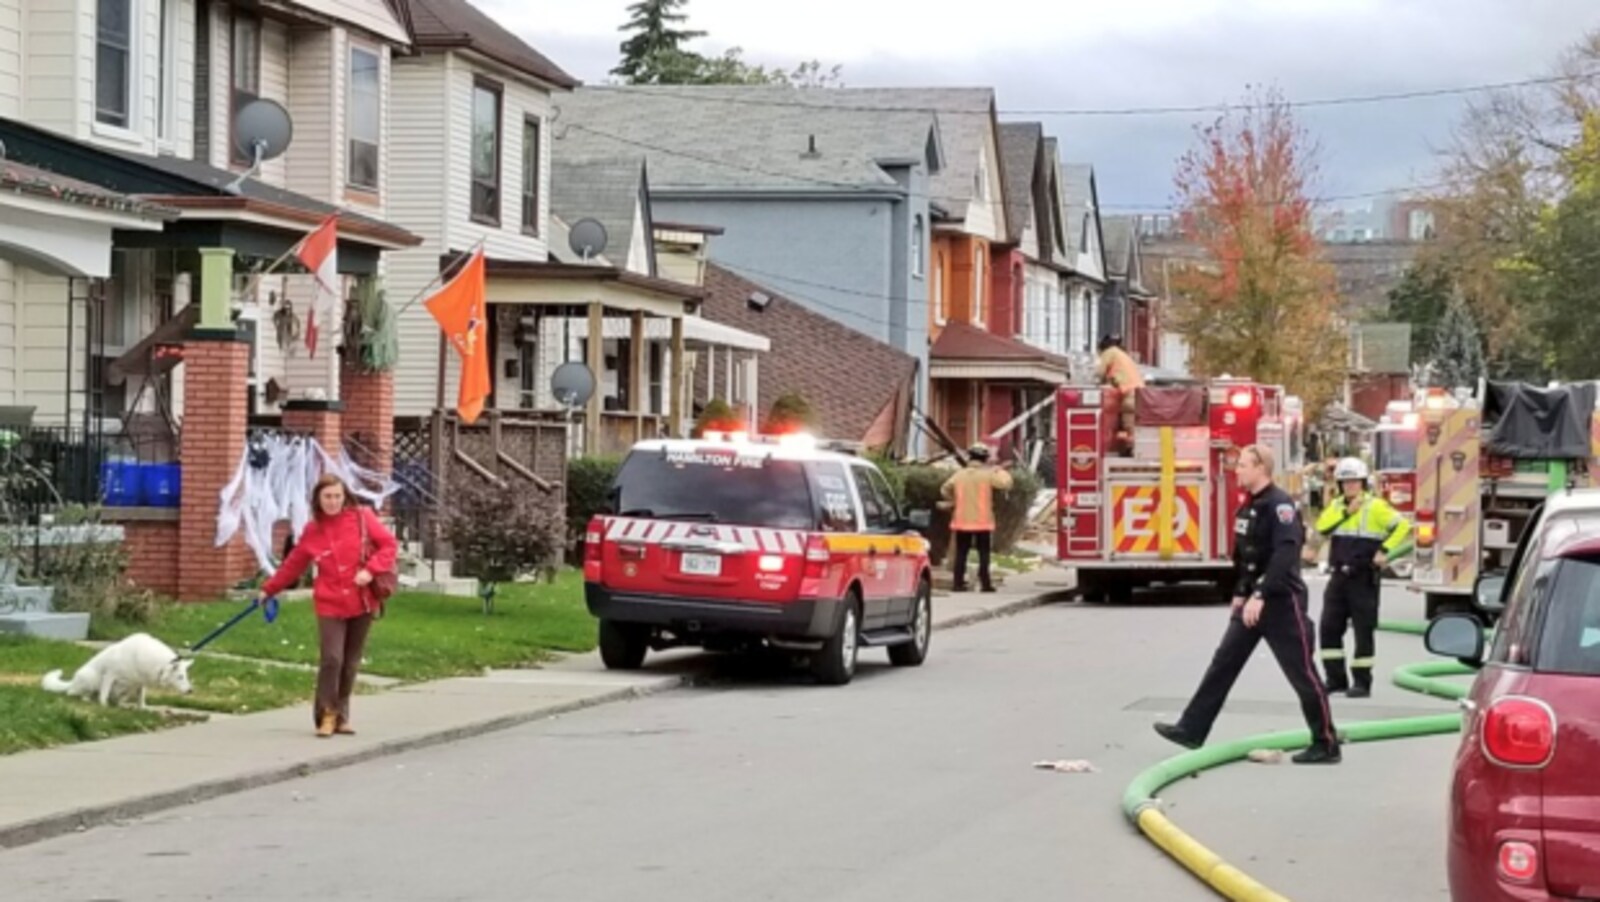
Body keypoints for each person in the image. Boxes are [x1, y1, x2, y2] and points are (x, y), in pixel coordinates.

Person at [1153, 444, 1341, 764]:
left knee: (1302, 674)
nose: (1237, 470)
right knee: (1223, 662)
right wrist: (1241, 591)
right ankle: (1191, 728)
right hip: (1252, 600)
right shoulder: (1250, 505)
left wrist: (1261, 594)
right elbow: (1245, 554)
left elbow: (1285, 554)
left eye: (1242, 465)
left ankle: (1326, 742)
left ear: (1260, 468)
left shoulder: (1280, 505)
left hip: (1281, 602)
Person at [259, 474, 398, 738]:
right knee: (332, 659)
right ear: (318, 500)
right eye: (327, 497)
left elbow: (389, 546)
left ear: (345, 497)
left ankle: (342, 715)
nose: (333, 502)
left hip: (362, 600)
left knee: (350, 662)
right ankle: (326, 714)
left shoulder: (362, 517)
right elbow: (293, 564)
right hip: (330, 603)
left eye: (337, 496)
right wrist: (269, 589)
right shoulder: (313, 530)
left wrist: (370, 571)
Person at [1304, 457, 1411, 698]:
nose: (1350, 485)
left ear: (1363, 482)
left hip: (1363, 578)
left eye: (1354, 481)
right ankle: (1335, 679)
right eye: (1345, 482)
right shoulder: (1336, 506)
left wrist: (1385, 550)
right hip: (1338, 577)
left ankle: (1362, 682)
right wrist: (1345, 512)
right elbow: (1322, 529)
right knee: (1329, 628)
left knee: (1363, 632)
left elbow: (1403, 526)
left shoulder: (1375, 507)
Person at [940, 443, 1013, 593]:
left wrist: (954, 500)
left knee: (961, 553)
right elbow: (1005, 484)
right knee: (983, 553)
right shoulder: (988, 475)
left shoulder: (959, 475)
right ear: (985, 458)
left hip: (962, 520)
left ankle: (958, 583)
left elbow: (944, 489)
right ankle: (985, 583)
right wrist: (999, 470)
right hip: (982, 522)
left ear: (970, 457)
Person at [1096, 334, 1145, 441]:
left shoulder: (1109, 353)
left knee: (1129, 422)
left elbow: (1099, 373)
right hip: (1140, 392)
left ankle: (1131, 445)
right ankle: (1131, 444)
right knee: (1135, 423)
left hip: (1129, 392)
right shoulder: (1123, 355)